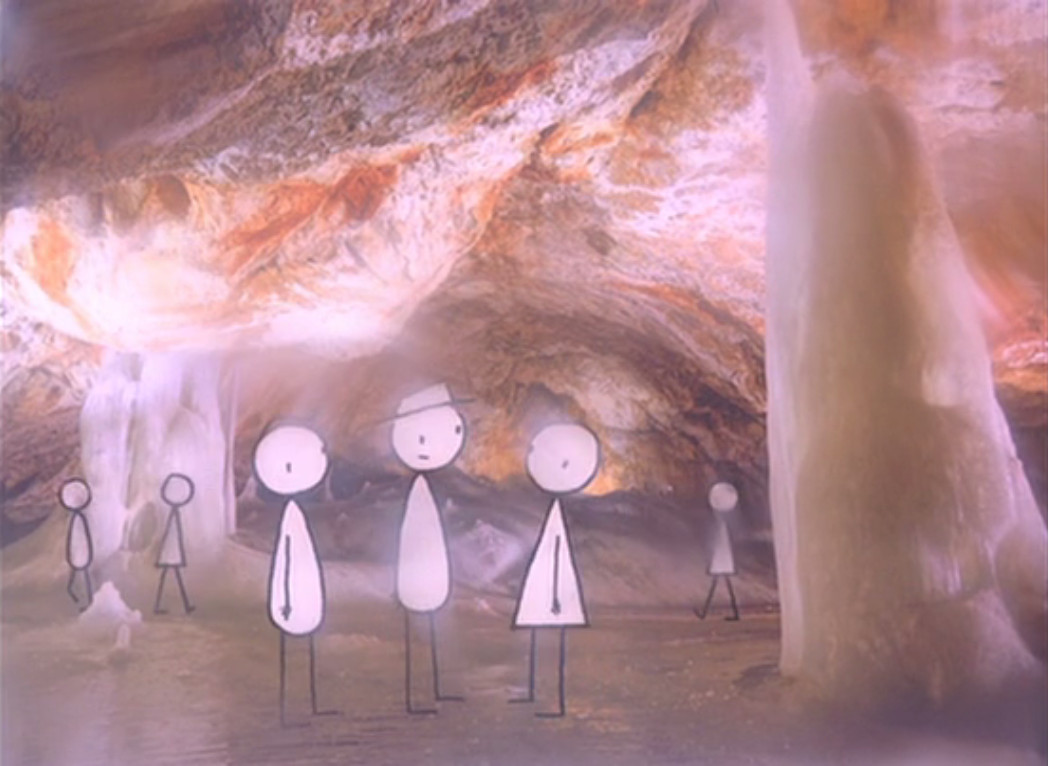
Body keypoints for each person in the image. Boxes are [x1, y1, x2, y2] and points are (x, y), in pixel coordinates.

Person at [389, 383, 470, 714]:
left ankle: (434, 685)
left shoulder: (428, 492)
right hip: (415, 571)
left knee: (432, 617)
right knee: (416, 621)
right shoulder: (416, 494)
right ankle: (414, 690)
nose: (423, 443)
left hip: (431, 572)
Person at [511, 422, 598, 718]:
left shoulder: (558, 521)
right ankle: (535, 690)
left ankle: (554, 697)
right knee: (539, 626)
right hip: (547, 585)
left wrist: (558, 598)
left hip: (557, 591)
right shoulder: (553, 519)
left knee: (553, 630)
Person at [254, 422, 337, 726]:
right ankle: (290, 704)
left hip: (302, 595)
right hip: (290, 601)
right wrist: (286, 600)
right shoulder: (291, 521)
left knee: (305, 639)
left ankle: (303, 702)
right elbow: (287, 557)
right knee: (291, 642)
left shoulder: (296, 518)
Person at [694, 481, 740, 621]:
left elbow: (718, 543)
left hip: (721, 561)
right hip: (724, 561)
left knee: (719, 586)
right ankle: (732, 612)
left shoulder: (721, 526)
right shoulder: (723, 525)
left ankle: (706, 613)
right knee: (723, 586)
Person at [153, 472, 196, 615]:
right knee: (170, 577)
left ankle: (181, 603)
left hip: (171, 552)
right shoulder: (173, 518)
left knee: (169, 577)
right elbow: (172, 535)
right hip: (170, 552)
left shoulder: (174, 516)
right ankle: (179, 604)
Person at [61, 477, 95, 611]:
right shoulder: (77, 520)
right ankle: (76, 594)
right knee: (77, 573)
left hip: (82, 553)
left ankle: (83, 598)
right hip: (78, 553)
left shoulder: (79, 519)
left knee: (82, 573)